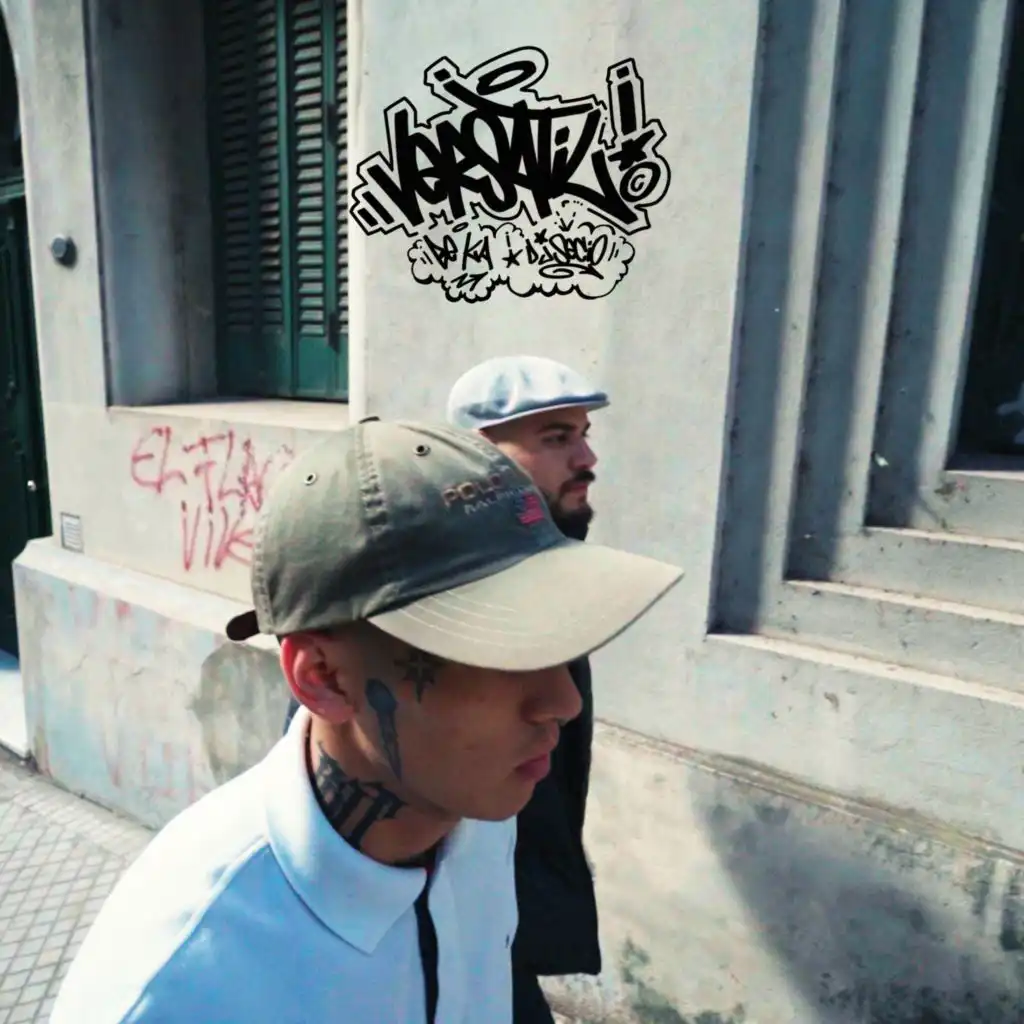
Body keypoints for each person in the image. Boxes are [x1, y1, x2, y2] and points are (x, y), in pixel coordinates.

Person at [51, 418, 682, 1023]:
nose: (565, 703)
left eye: (557, 642)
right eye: (498, 655)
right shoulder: (180, 987)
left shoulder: (478, 818)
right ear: (324, 678)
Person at [282, 356, 608, 1022]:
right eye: (555, 438)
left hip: (497, 919)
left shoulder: (553, 573)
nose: (586, 458)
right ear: (480, 457)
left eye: (582, 434)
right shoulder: (404, 595)